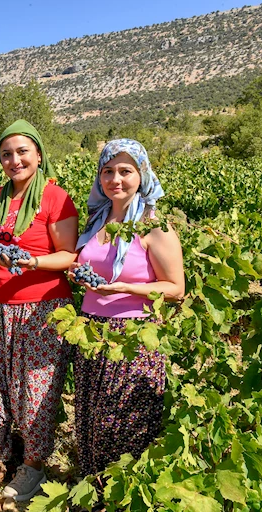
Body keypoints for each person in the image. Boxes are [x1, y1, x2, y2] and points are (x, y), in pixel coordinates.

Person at [0, 119, 78, 501]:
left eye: (22, 152)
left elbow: (68, 255)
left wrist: (31, 262)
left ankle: (32, 467)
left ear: (38, 154)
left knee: (34, 394)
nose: (14, 160)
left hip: (41, 310)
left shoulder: (55, 197)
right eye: (6, 154)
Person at [70, 139, 184, 476]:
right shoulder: (97, 221)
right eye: (108, 171)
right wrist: (78, 275)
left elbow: (176, 289)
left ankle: (122, 502)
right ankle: (94, 493)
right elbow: (88, 266)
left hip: (132, 337)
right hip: (91, 332)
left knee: (124, 420)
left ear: (142, 174)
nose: (115, 179)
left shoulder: (154, 226)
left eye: (125, 171)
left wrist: (126, 288)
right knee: (92, 416)